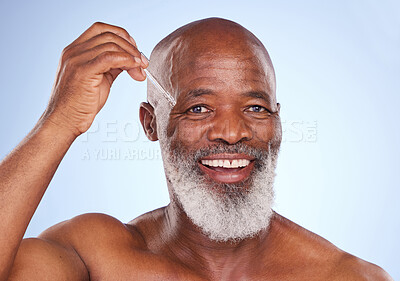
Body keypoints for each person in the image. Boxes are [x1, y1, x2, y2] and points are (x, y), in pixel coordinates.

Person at [0, 17, 393, 281]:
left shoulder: (344, 276)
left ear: (277, 121)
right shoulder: (96, 257)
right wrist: (61, 121)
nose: (232, 132)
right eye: (199, 108)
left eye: (255, 108)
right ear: (151, 123)